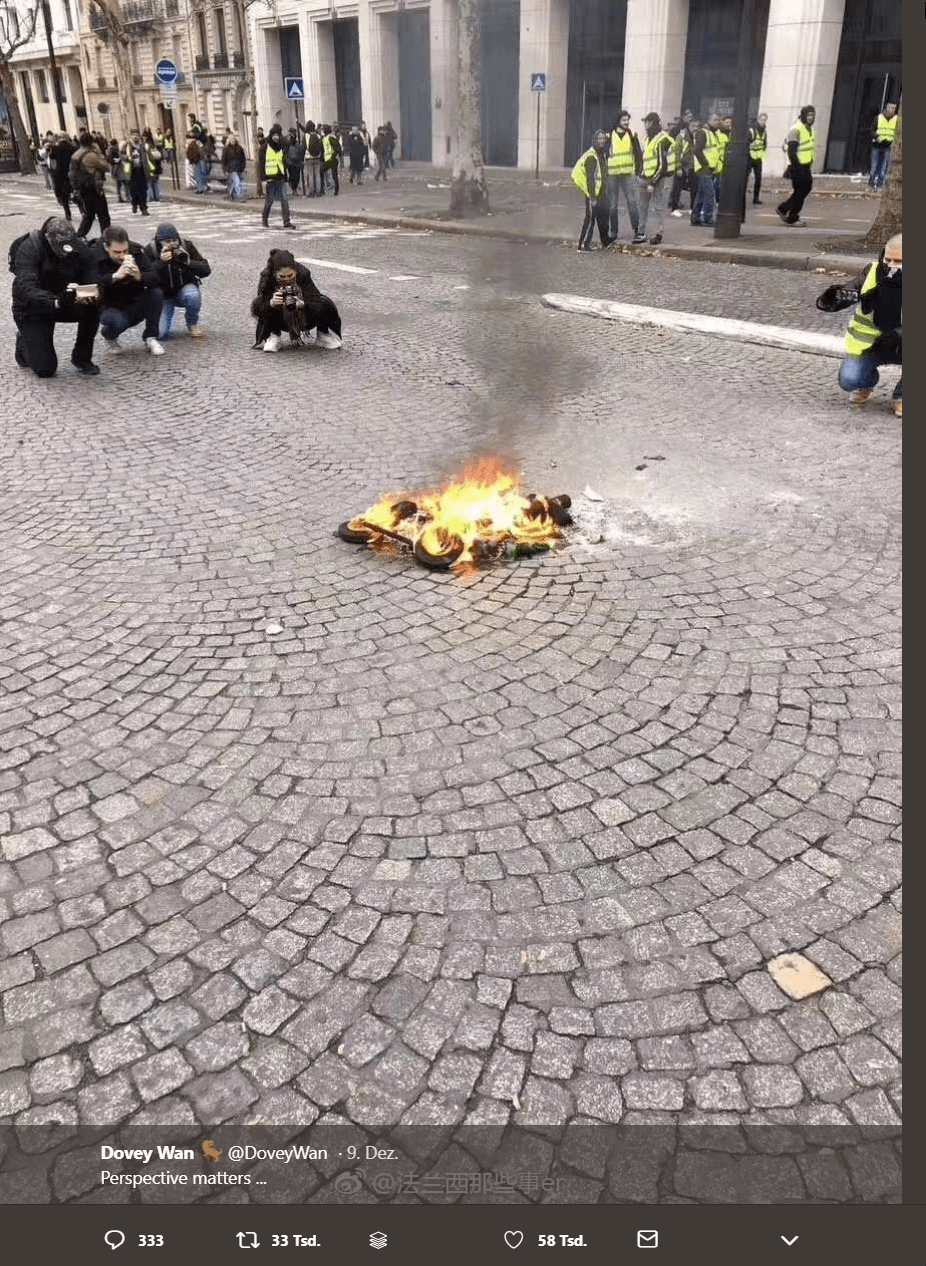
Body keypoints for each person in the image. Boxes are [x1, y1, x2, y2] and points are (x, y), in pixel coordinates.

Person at [817, 233, 902, 419]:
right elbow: (848, 292)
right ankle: (867, 381)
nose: (893, 265)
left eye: (900, 261)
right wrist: (832, 297)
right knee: (849, 380)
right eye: (889, 260)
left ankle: (902, 395)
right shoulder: (872, 271)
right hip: (871, 346)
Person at [10, 216, 101, 377]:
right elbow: (27, 287)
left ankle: (82, 358)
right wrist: (56, 302)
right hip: (32, 307)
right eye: (58, 249)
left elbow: (93, 276)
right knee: (45, 369)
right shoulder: (29, 248)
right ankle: (24, 341)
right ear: (47, 238)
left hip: (64, 299)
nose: (64, 255)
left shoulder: (79, 247)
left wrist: (87, 293)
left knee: (93, 305)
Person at [90, 224, 164, 356]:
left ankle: (151, 337)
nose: (122, 256)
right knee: (117, 322)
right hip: (109, 304)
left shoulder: (136, 250)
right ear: (106, 247)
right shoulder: (93, 255)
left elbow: (155, 276)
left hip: (134, 298)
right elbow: (89, 283)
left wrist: (139, 276)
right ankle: (110, 336)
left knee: (156, 292)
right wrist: (114, 277)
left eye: (125, 251)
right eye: (117, 252)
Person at [251, 248, 342, 353]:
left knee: (325, 303)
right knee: (259, 303)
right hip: (279, 318)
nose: (287, 279)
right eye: (282, 276)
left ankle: (323, 334)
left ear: (295, 271)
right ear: (275, 274)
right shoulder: (267, 276)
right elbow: (259, 305)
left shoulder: (303, 273)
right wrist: (271, 303)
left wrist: (303, 304)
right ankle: (273, 335)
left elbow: (315, 298)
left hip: (304, 316)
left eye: (290, 275)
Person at [145, 221, 210, 341]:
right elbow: (144, 278)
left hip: (183, 289)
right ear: (159, 242)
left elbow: (206, 270)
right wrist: (160, 262)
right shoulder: (151, 250)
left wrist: (189, 262)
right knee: (161, 334)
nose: (172, 244)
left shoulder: (186, 246)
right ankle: (164, 318)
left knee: (193, 295)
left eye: (175, 240)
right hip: (164, 296)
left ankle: (192, 324)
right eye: (167, 241)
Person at [571, 130, 610, 252]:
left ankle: (605, 241)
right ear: (594, 140)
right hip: (593, 193)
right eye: (599, 139)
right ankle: (582, 245)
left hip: (601, 192)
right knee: (590, 219)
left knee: (603, 215)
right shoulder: (591, 156)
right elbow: (590, 179)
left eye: (603, 138)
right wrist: (592, 197)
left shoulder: (601, 154)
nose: (602, 141)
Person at [606, 111, 643, 243]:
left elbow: (638, 155)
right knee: (612, 204)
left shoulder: (632, 135)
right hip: (613, 175)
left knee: (632, 202)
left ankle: (637, 230)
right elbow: (604, 154)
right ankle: (613, 232)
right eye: (624, 120)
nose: (626, 122)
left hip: (628, 174)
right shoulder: (610, 136)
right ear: (618, 122)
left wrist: (638, 173)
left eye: (627, 120)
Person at [777, 105, 816, 227]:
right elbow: (791, 150)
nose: (811, 118)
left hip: (805, 165)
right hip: (798, 166)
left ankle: (784, 208)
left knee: (804, 189)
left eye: (812, 115)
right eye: (809, 115)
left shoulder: (808, 128)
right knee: (801, 191)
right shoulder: (796, 128)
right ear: (803, 115)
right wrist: (795, 166)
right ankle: (792, 217)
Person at [637, 112, 672, 245]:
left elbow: (663, 165)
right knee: (642, 207)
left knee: (657, 207)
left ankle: (659, 233)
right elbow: (644, 158)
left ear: (651, 122)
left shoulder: (662, 138)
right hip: (644, 177)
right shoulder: (646, 138)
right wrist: (640, 174)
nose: (644, 125)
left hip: (655, 179)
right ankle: (640, 232)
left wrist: (653, 181)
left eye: (646, 122)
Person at [70, 132, 111, 239]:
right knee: (103, 216)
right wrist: (99, 152)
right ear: (91, 142)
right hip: (94, 187)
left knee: (89, 215)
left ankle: (79, 235)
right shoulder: (91, 155)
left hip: (82, 188)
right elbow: (105, 166)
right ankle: (106, 238)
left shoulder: (76, 154)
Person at [261, 126, 296, 228]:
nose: (276, 137)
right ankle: (264, 219)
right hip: (270, 178)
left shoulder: (281, 146)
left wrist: (285, 176)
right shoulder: (265, 147)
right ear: (271, 135)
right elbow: (262, 164)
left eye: (278, 135)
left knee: (284, 199)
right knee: (269, 200)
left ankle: (286, 221)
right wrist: (263, 179)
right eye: (274, 135)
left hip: (280, 177)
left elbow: (282, 161)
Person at [690, 114, 718, 226]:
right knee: (710, 194)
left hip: (709, 168)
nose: (718, 122)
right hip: (704, 168)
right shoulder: (703, 133)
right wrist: (705, 164)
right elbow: (697, 150)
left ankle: (695, 217)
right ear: (709, 121)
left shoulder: (711, 133)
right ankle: (708, 218)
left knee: (701, 194)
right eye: (715, 120)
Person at [122, 129, 154, 215]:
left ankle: (144, 208)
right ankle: (134, 203)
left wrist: (151, 169)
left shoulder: (144, 145)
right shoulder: (127, 145)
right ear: (131, 136)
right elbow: (121, 155)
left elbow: (150, 157)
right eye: (133, 135)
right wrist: (127, 158)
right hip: (132, 171)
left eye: (137, 134)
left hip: (142, 170)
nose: (135, 136)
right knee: (134, 191)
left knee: (143, 190)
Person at [869, 103, 898, 189]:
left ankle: (880, 183)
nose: (892, 111)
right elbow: (872, 130)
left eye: (893, 109)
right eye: (890, 109)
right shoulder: (879, 118)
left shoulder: (897, 120)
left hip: (888, 146)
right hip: (877, 144)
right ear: (886, 109)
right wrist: (876, 137)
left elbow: (898, 134)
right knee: (874, 164)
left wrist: (895, 142)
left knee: (884, 166)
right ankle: (872, 181)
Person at [51, 132, 77, 221]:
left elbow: (51, 157)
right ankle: (83, 210)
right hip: (71, 170)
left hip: (60, 172)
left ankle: (67, 213)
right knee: (75, 190)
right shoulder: (72, 147)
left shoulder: (56, 148)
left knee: (64, 196)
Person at [747, 113, 768, 204]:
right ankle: (741, 197)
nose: (763, 122)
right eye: (762, 120)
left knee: (758, 178)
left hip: (758, 158)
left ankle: (756, 198)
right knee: (746, 178)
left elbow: (764, 144)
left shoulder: (764, 132)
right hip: (750, 157)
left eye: (765, 120)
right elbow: (747, 143)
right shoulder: (752, 131)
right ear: (758, 120)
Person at [222, 133, 246, 200]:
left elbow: (243, 158)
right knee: (237, 182)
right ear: (229, 140)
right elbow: (224, 160)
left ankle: (230, 194)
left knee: (234, 183)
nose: (233, 140)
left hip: (239, 168)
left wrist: (243, 166)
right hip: (231, 168)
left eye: (234, 139)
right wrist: (224, 169)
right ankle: (240, 196)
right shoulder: (226, 149)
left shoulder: (239, 148)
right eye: (231, 139)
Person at [303, 121, 322, 196]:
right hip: (317, 156)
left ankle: (311, 191)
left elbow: (303, 147)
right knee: (317, 175)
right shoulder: (318, 135)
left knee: (310, 175)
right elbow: (321, 145)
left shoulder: (306, 136)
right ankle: (318, 191)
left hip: (308, 157)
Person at [321, 125, 340, 194]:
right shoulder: (325, 138)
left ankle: (323, 189)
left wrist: (335, 155)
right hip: (329, 159)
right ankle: (336, 190)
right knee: (334, 175)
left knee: (333, 175)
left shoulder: (330, 138)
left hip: (331, 159)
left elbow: (337, 147)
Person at [285, 127, 304, 195]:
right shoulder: (287, 140)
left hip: (296, 162)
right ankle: (294, 189)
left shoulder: (297, 141)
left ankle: (294, 187)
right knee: (293, 176)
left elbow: (300, 150)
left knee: (297, 176)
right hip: (290, 162)